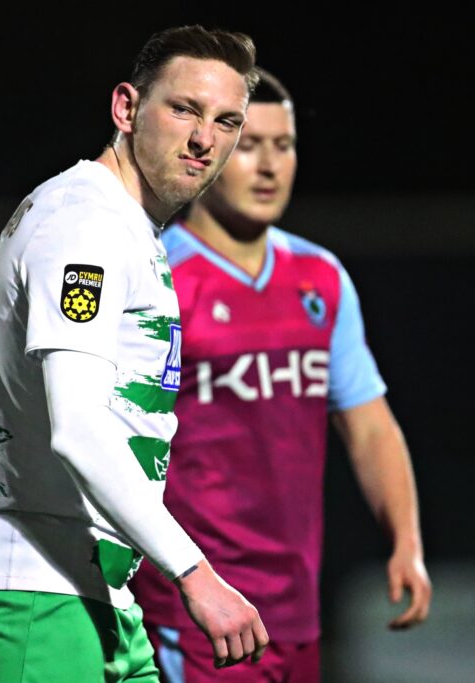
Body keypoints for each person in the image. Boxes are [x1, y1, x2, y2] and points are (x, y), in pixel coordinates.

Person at [0, 26, 269, 683]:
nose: (205, 138)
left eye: (226, 120)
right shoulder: (84, 224)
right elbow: (80, 426)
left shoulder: (123, 226)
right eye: (184, 109)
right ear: (126, 108)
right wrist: (197, 574)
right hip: (37, 586)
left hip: (95, 593)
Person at [131, 68, 432, 682]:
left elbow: (369, 425)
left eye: (284, 145)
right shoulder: (157, 277)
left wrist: (406, 540)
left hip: (296, 616)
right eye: (248, 144)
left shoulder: (320, 278)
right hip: (196, 618)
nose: (268, 165)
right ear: (209, 152)